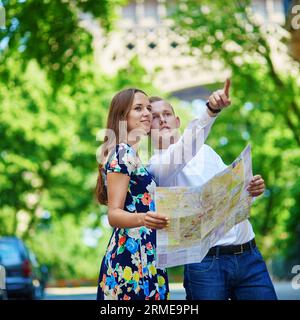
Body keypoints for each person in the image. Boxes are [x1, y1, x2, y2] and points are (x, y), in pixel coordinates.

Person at [147, 81, 277, 300]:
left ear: (177, 121)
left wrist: (252, 188)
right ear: (146, 129)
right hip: (205, 265)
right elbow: (184, 151)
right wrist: (210, 111)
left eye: (167, 114)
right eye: (154, 117)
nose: (162, 120)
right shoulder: (157, 166)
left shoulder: (207, 151)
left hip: (248, 255)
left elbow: (233, 194)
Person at [95, 88, 173, 300]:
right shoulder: (123, 153)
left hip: (146, 255)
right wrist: (145, 218)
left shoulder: (132, 155)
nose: (147, 113)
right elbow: (114, 215)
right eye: (138, 108)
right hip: (130, 261)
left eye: (148, 107)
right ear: (122, 117)